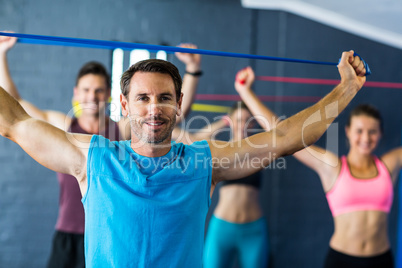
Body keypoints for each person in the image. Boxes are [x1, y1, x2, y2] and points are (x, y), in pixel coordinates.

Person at [0, 50, 367, 267]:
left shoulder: (202, 163)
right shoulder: (93, 158)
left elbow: (286, 138)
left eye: (164, 98)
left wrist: (347, 88)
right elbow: (14, 121)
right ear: (125, 105)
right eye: (143, 98)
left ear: (178, 105)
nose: (153, 107)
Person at [0, 34, 201, 268]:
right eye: (86, 90)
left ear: (108, 95)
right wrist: (1, 55)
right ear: (76, 93)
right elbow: (15, 110)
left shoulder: (122, 127)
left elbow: (173, 114)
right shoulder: (63, 125)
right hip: (69, 234)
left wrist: (193, 69)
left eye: (98, 91)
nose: (92, 96)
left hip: (111, 240)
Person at [292, 104, 402, 268]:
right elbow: (285, 139)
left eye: (372, 132)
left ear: (380, 134)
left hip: (381, 261)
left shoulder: (389, 166)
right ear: (348, 131)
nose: (366, 138)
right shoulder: (332, 167)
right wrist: (246, 92)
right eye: (359, 131)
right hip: (341, 261)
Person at [203, 67, 276, 268]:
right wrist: (221, 123)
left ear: (252, 124)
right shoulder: (221, 149)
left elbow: (278, 132)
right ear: (231, 122)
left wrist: (247, 92)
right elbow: (193, 139)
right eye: (237, 120)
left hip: (253, 229)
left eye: (246, 120)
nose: (242, 124)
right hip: (222, 227)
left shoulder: (262, 148)